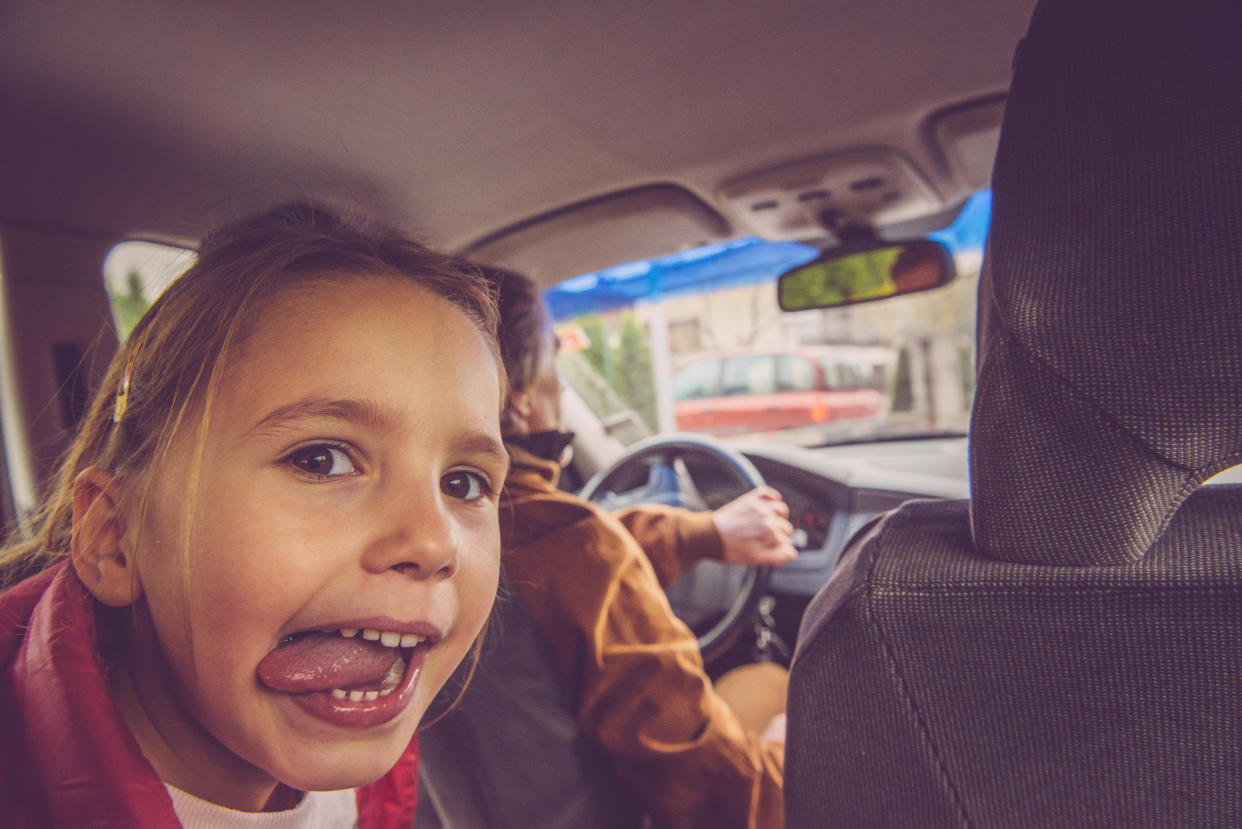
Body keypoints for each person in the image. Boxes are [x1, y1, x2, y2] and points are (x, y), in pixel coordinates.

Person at [0, 203, 510, 828]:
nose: (434, 541)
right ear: (114, 539)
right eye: (321, 460)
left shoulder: (373, 782)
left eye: (463, 483)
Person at [487, 264, 796, 828]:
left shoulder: (457, 523)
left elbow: (568, 560)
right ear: (524, 399)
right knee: (780, 690)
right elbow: (720, 796)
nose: (564, 384)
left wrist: (703, 534)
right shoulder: (572, 544)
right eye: (557, 361)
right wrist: (785, 753)